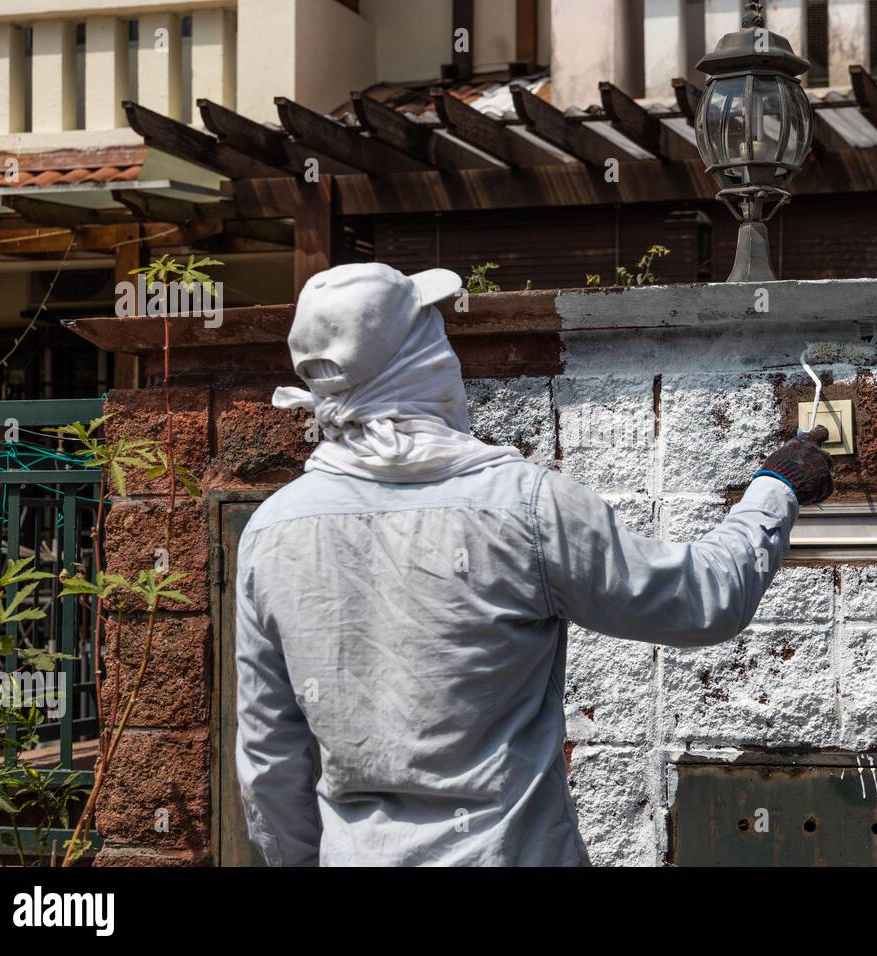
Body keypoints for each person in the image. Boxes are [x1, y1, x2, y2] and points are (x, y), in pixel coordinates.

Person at [235, 263, 834, 866]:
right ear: (421, 358)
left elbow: (268, 759)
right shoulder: (525, 506)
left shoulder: (270, 531)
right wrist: (776, 487)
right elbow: (703, 600)